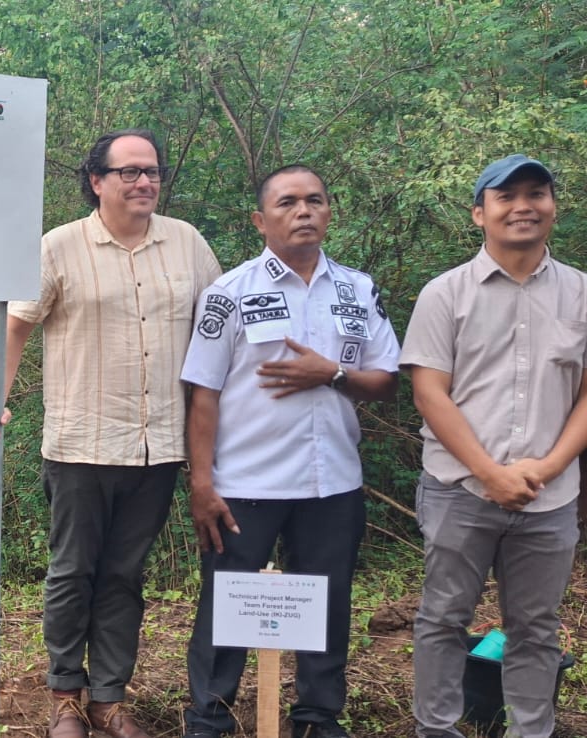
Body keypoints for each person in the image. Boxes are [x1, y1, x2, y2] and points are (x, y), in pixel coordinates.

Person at [0, 129, 221, 738]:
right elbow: (16, 329)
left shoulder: (187, 244)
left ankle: (109, 698)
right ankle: (66, 697)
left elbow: (219, 333)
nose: (144, 182)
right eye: (129, 171)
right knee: (72, 572)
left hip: (158, 445)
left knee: (124, 575)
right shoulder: (57, 248)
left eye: (152, 171)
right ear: (97, 181)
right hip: (81, 443)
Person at [179, 166, 400, 738]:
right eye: (287, 203)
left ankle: (316, 717)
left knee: (328, 604)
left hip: (332, 483)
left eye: (315, 201)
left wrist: (332, 373)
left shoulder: (358, 289)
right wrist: (202, 485)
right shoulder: (228, 294)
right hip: (245, 484)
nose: (303, 211)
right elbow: (202, 395)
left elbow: (385, 381)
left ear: (329, 212)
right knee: (225, 608)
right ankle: (210, 718)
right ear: (260, 219)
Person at [402, 155, 585, 738]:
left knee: (534, 625)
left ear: (555, 206)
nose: (523, 206)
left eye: (537, 193)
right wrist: (490, 473)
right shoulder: (444, 294)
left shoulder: (582, 292)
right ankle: (436, 728)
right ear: (480, 213)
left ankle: (531, 731)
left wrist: (550, 467)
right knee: (442, 618)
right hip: (460, 492)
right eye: (506, 197)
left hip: (549, 499)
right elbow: (430, 393)